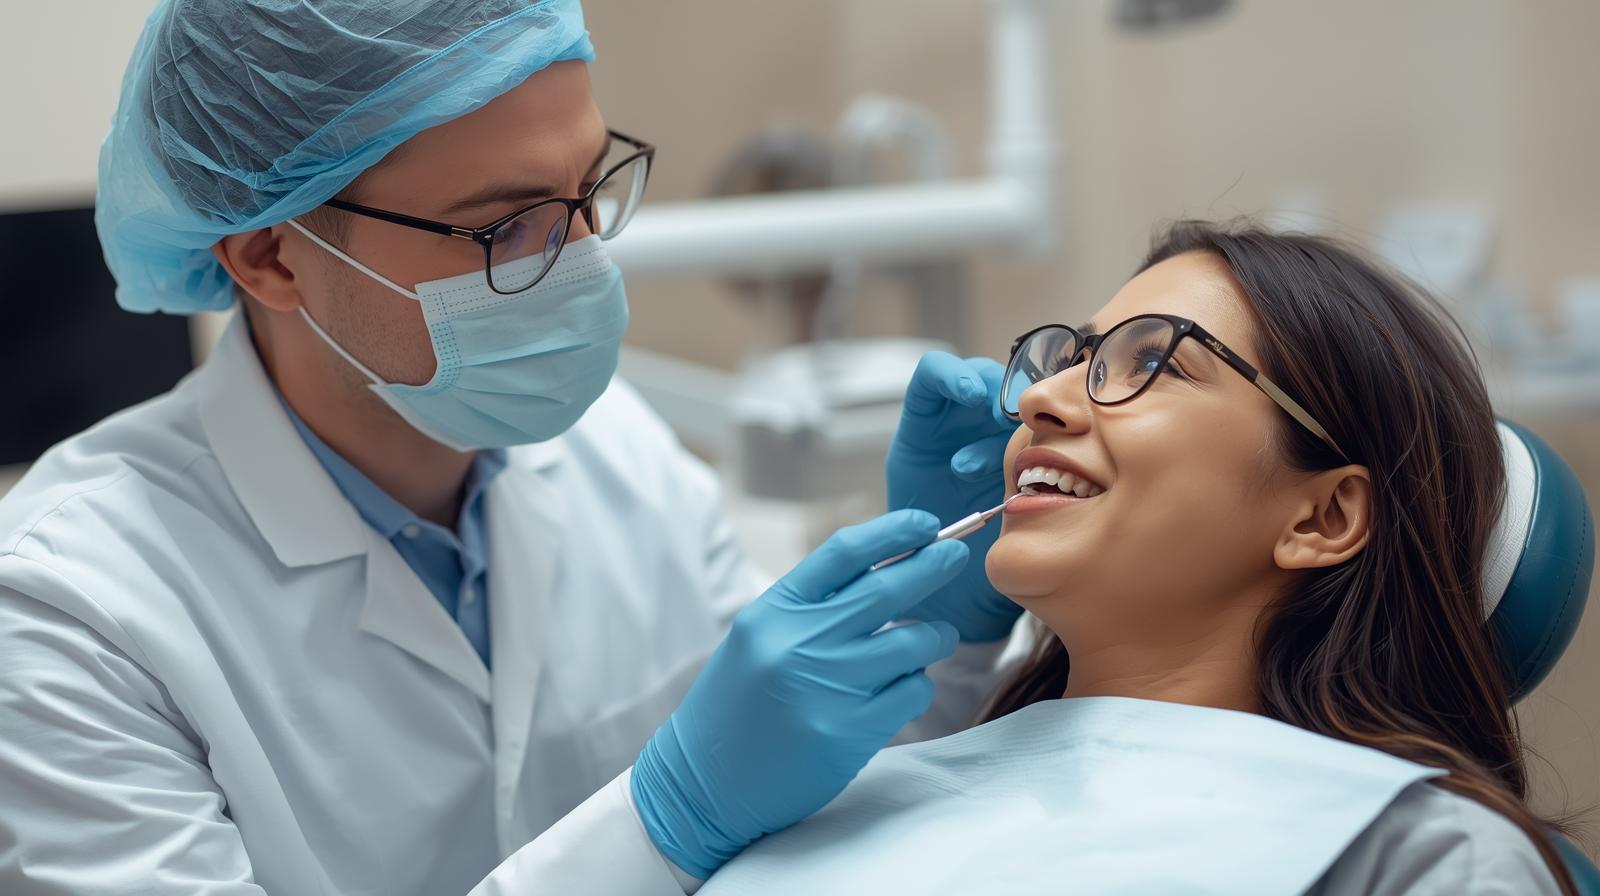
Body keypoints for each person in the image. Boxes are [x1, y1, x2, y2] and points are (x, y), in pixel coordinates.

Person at [0, 2, 1025, 893]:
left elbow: (811, 804)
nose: (582, 265)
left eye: (588, 191)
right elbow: (710, 803)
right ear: (271, 255)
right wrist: (663, 823)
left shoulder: (615, 451)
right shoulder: (69, 613)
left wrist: (939, 635)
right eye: (506, 227)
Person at [695, 221, 1579, 895]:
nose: (1040, 398)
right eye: (1070, 358)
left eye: (1151, 362)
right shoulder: (849, 787)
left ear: (1322, 516)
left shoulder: (1416, 857)